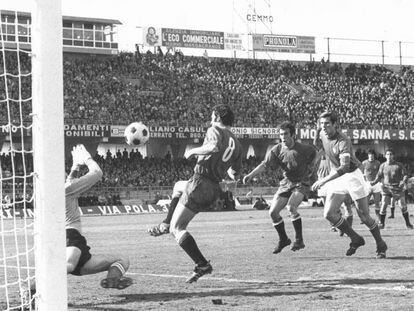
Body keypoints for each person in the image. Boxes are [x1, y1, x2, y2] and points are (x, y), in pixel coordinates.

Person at [169, 105, 243, 283]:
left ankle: (202, 264)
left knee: (177, 228)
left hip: (200, 181)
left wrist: (192, 151)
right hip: (214, 188)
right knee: (178, 186)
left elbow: (213, 147)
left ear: (217, 116)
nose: (210, 117)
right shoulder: (238, 144)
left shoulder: (215, 129)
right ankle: (164, 223)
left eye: (212, 114)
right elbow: (235, 173)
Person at [311, 111, 387, 258]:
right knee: (329, 214)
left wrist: (323, 180)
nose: (323, 126)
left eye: (327, 123)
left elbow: (345, 167)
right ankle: (355, 238)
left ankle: (381, 244)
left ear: (335, 125)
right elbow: (317, 142)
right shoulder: (321, 133)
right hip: (337, 176)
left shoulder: (343, 140)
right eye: (321, 124)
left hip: (352, 176)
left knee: (364, 216)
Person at [243, 121, 318, 254]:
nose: (283, 137)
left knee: (291, 207)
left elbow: (316, 154)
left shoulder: (304, 148)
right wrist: (250, 174)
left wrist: (312, 170)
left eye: (286, 134)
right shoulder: (277, 150)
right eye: (281, 134)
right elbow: (265, 165)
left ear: (293, 135)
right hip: (287, 183)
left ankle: (299, 239)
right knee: (273, 213)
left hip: (301, 182)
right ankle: (283, 239)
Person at [66, 144, 133, 289]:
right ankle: (29, 285)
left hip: (74, 246)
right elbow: (97, 172)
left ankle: (112, 280)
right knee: (69, 265)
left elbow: (70, 183)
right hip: (69, 236)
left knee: (121, 260)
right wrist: (87, 158)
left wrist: (76, 166)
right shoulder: (67, 190)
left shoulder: (62, 190)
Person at [370, 149, 413, 229]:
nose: (389, 156)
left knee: (402, 206)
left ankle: (408, 224)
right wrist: (374, 182)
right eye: (387, 154)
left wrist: (403, 181)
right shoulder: (382, 165)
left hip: (397, 188)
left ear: (393, 156)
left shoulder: (399, 165)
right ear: (385, 156)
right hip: (386, 188)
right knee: (383, 205)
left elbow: (405, 175)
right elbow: (379, 176)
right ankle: (381, 224)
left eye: (391, 154)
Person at [362, 149, 382, 220]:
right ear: (368, 156)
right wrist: (364, 182)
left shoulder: (377, 163)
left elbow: (380, 174)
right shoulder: (364, 163)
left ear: (374, 156)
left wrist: (377, 181)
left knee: (377, 202)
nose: (371, 157)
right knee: (365, 202)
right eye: (370, 155)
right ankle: (366, 218)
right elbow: (362, 174)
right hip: (367, 184)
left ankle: (379, 218)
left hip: (376, 184)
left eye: (372, 155)